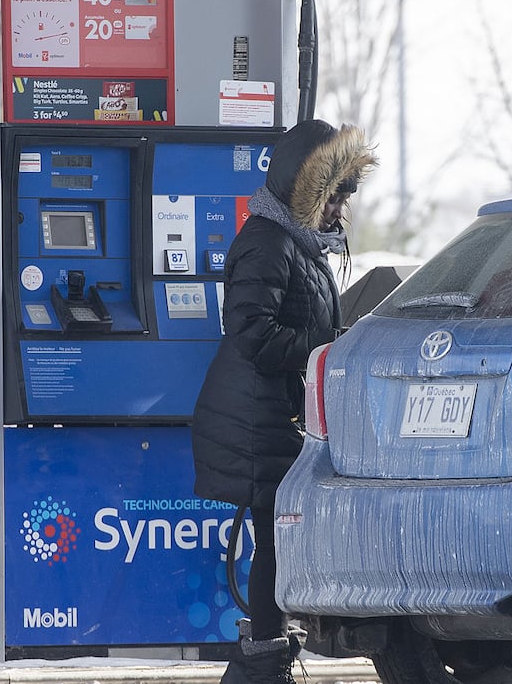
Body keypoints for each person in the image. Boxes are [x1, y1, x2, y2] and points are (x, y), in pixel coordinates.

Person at [191, 120, 376, 684]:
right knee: (274, 541)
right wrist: (323, 350)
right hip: (255, 421)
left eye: (347, 193)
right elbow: (250, 331)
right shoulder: (267, 244)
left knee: (279, 540)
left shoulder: (300, 246)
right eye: (334, 193)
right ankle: (261, 664)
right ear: (306, 191)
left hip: (274, 416)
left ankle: (265, 658)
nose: (342, 206)